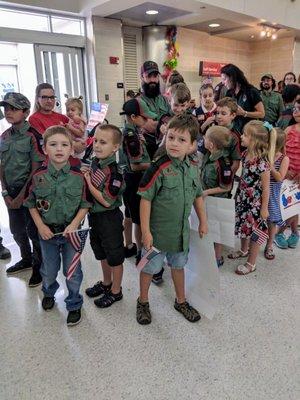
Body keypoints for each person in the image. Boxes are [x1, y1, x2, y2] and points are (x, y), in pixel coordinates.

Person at [136, 113, 208, 325]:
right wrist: (146, 232)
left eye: (181, 140)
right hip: (156, 235)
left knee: (178, 266)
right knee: (148, 268)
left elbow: (197, 196)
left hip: (180, 234)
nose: (174, 143)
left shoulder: (193, 167)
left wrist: (203, 221)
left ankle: (181, 300)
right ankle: (142, 301)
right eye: (171, 138)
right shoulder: (158, 167)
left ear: (193, 145)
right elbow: (145, 200)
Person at [24, 125, 91, 326]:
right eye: (53, 145)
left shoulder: (78, 177)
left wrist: (74, 224)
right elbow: (30, 204)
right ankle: (49, 292)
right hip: (47, 234)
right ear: (45, 149)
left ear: (72, 149)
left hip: (71, 233)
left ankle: (73, 303)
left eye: (64, 145)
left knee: (73, 272)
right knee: (49, 269)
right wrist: (40, 226)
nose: (59, 149)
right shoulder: (38, 176)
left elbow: (85, 204)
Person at [0, 92, 45, 286]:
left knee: (33, 231)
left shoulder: (33, 136)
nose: (8, 112)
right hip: (10, 192)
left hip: (28, 191)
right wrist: (5, 192)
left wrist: (21, 196)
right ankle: (26, 259)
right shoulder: (4, 136)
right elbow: (1, 165)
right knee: (17, 230)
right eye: (6, 108)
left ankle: (38, 266)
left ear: (25, 112)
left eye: (14, 109)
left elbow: (37, 170)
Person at [84, 124, 126, 308]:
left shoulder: (115, 173)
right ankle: (106, 283)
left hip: (109, 218)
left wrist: (87, 182)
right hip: (95, 217)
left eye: (103, 142)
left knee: (114, 256)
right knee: (101, 252)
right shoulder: (95, 162)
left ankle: (116, 291)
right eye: (96, 141)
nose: (97, 145)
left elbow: (107, 201)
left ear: (115, 147)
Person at [228, 121, 276, 275]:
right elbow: (243, 177)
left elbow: (266, 187)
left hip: (255, 203)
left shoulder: (263, 162)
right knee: (243, 226)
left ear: (254, 140)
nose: (241, 136)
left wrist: (264, 208)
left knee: (255, 232)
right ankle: (243, 249)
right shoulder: (245, 154)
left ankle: (251, 262)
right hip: (243, 199)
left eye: (245, 135)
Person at [119, 98, 153, 265]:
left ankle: (129, 245)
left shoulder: (134, 131)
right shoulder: (131, 136)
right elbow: (135, 165)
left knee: (129, 214)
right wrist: (154, 165)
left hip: (129, 180)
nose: (147, 120)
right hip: (134, 180)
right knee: (139, 219)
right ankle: (141, 252)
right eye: (144, 118)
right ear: (133, 117)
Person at [200, 126, 234, 267]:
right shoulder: (209, 156)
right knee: (207, 226)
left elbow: (226, 187)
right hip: (207, 199)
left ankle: (217, 257)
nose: (203, 139)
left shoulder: (222, 164)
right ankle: (207, 252)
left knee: (217, 229)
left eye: (206, 138)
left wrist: (206, 192)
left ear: (212, 144)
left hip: (218, 201)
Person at [275, 100, 300, 249]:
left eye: (299, 109)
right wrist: (285, 170)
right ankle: (281, 232)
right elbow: (281, 150)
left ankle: (294, 231)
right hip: (287, 174)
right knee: (289, 204)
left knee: (296, 205)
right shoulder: (289, 129)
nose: (295, 111)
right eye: (295, 108)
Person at [264, 128, 289, 259]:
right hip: (262, 191)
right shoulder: (264, 154)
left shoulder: (284, 158)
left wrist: (270, 166)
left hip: (273, 193)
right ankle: (253, 243)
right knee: (258, 219)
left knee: (271, 221)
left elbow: (280, 177)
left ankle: (269, 245)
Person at [220, 63, 265, 134]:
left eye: (224, 79)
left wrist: (244, 113)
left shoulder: (251, 91)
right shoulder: (229, 92)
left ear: (232, 77)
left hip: (250, 132)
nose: (223, 82)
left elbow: (262, 114)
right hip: (234, 130)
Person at [140, 61, 172, 159]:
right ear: (142, 77)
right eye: (148, 76)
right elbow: (148, 126)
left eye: (155, 76)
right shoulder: (138, 101)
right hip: (147, 149)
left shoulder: (164, 99)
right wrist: (162, 126)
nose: (153, 80)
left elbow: (172, 120)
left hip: (165, 146)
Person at [215, 97, 242, 176]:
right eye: (217, 113)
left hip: (223, 174)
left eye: (223, 113)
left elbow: (236, 163)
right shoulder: (214, 129)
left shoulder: (235, 136)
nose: (219, 116)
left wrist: (228, 178)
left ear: (233, 115)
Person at [65, 96, 87, 162]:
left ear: (79, 111)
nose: (70, 112)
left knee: (76, 162)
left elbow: (81, 133)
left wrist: (71, 128)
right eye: (67, 110)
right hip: (72, 142)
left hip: (79, 142)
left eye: (73, 110)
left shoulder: (80, 120)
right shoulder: (70, 120)